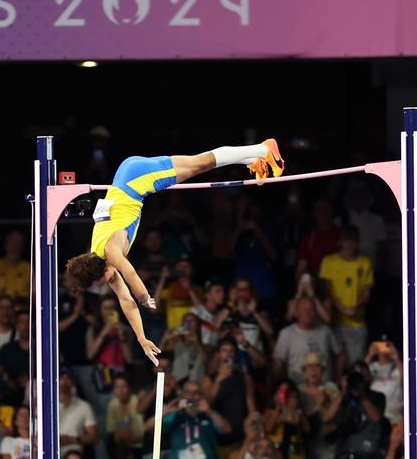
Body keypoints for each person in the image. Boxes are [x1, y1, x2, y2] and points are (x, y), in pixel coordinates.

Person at [64, 141, 285, 364]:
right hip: (128, 176)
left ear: (97, 272)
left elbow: (131, 275)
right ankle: (254, 158)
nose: (104, 283)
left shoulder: (110, 251)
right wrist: (142, 339)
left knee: (201, 164)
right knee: (198, 164)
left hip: (136, 182)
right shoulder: (101, 261)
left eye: (98, 282)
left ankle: (264, 150)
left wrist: (145, 298)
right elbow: (125, 301)